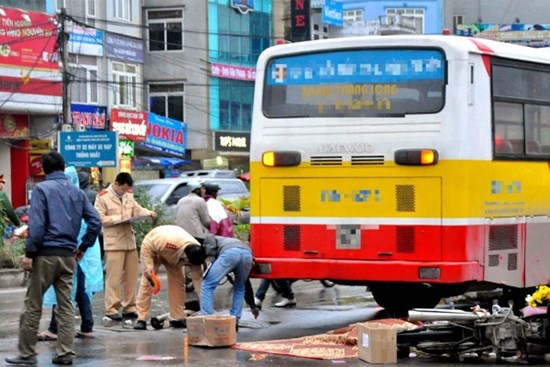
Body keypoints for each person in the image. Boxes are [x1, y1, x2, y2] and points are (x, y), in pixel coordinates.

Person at [4, 151, 101, 366]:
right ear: (63, 167)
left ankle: (27, 353)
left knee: (33, 304)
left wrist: (30, 253)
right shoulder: (78, 193)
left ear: (44, 170)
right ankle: (65, 353)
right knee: (65, 306)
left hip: (45, 256)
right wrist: (83, 247)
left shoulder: (42, 189)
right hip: (69, 257)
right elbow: (95, 221)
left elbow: (37, 226)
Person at [38, 167, 104, 341]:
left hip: (71, 253)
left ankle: (55, 329)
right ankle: (87, 326)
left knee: (62, 290)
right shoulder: (80, 198)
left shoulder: (68, 201)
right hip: (83, 254)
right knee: (79, 290)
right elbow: (94, 224)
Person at [94, 172, 157, 322]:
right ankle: (112, 308)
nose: (124, 191)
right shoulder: (102, 197)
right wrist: (119, 218)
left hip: (129, 241)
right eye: (123, 188)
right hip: (114, 242)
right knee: (113, 278)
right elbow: (99, 218)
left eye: (127, 189)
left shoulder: (128, 194)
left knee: (131, 276)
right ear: (116, 184)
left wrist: (148, 213)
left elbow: (136, 209)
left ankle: (129, 307)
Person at [133, 225, 206, 330]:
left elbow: (199, 284)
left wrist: (206, 310)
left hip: (174, 258)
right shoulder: (168, 242)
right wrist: (148, 265)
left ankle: (177, 317)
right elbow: (147, 245)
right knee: (148, 282)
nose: (191, 267)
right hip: (154, 250)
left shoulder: (197, 254)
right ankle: (141, 319)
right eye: (189, 264)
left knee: (178, 283)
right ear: (186, 257)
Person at [200, 234, 254, 329]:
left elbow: (209, 238)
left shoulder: (211, 238)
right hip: (247, 254)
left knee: (207, 284)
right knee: (240, 287)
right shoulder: (231, 240)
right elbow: (246, 283)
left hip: (230, 253)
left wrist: (209, 259)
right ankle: (235, 320)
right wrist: (252, 305)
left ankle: (207, 320)